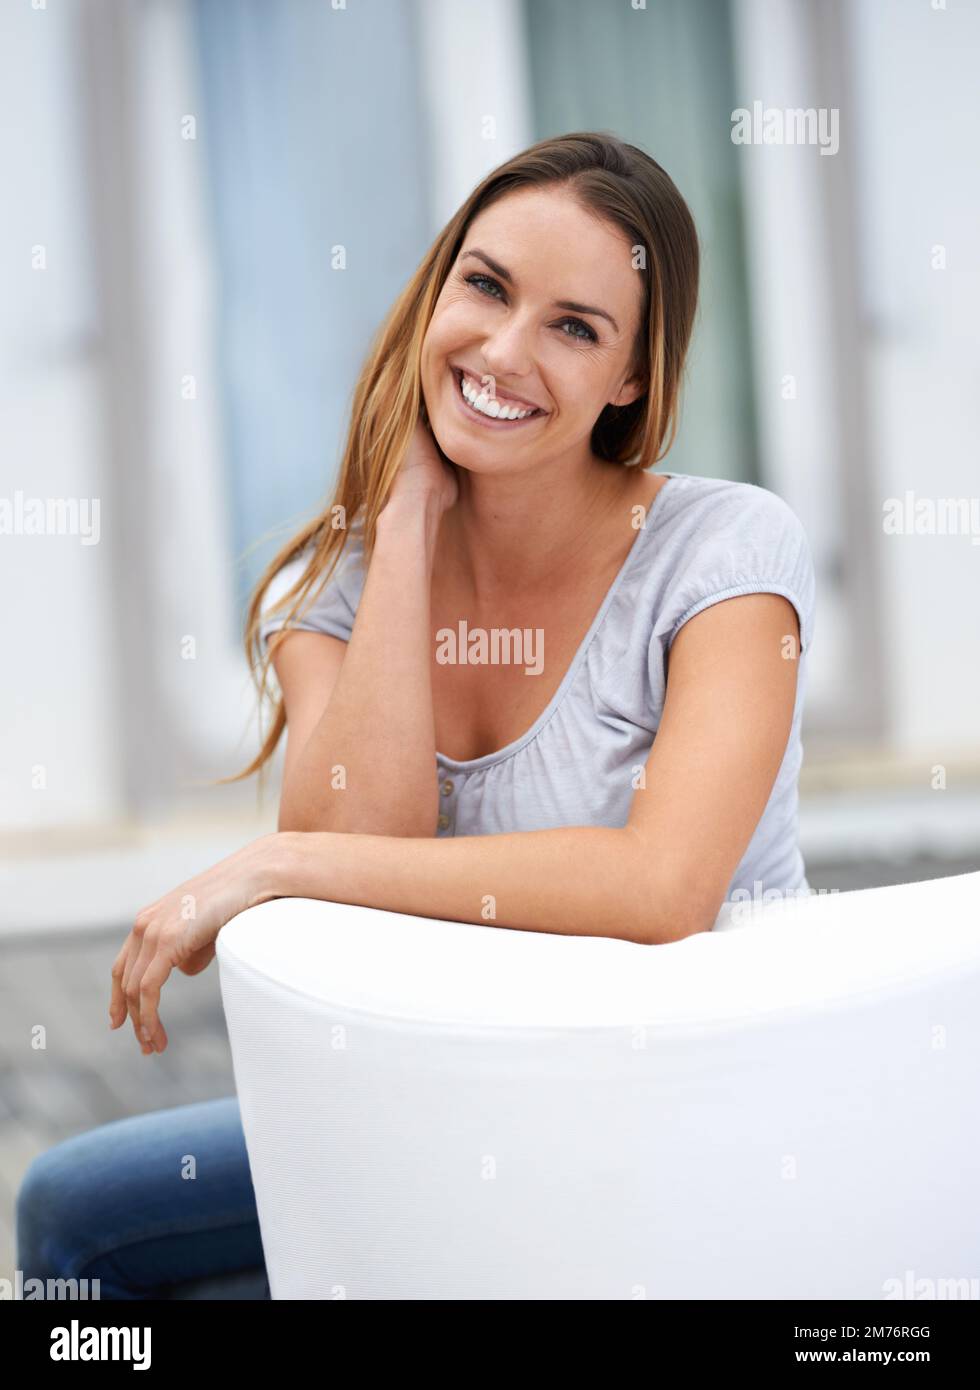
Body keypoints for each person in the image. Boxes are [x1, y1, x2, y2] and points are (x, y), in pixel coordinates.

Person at [16, 131, 814, 1299]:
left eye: (573, 326)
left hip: (679, 1118)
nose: (502, 349)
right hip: (445, 1109)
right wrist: (404, 522)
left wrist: (279, 857)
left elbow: (663, 887)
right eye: (484, 286)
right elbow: (368, 844)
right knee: (71, 1221)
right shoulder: (330, 588)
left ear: (629, 379)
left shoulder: (725, 552)